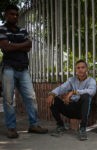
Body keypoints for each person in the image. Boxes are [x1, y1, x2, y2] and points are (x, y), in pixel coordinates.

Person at [0, 4, 48, 138]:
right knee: (9, 100)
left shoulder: (22, 29)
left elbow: (29, 46)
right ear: (6, 15)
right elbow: (5, 47)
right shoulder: (2, 29)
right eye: (11, 14)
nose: (14, 16)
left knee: (31, 97)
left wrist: (13, 45)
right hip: (8, 68)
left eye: (16, 14)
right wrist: (22, 45)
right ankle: (11, 128)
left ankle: (34, 124)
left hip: (23, 69)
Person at [47, 59, 97, 141]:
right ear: (75, 70)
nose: (80, 69)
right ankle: (60, 125)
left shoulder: (91, 81)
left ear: (86, 69)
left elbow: (92, 91)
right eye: (78, 68)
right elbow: (61, 88)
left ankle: (82, 129)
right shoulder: (72, 80)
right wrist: (52, 93)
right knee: (53, 99)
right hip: (70, 108)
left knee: (86, 96)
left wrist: (74, 92)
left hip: (81, 110)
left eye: (83, 67)